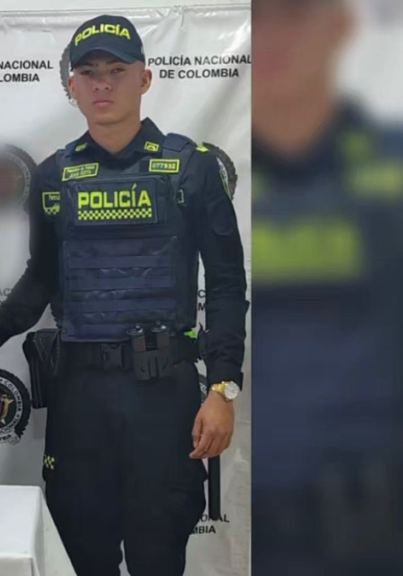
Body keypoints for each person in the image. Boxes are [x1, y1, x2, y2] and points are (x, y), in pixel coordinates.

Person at [0, 15, 248, 575]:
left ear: (144, 79)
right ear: (72, 85)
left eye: (116, 70)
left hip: (162, 396)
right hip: (80, 397)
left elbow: (227, 284)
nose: (102, 84)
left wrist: (223, 387)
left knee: (158, 557)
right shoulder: (54, 176)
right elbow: (41, 278)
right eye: (89, 73)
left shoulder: (191, 168)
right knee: (84, 557)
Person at [253, 1, 403, 573]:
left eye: (294, 14)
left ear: (341, 25)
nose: (273, 36)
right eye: (259, 16)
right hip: (253, 527)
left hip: (376, 526)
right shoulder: (206, 178)